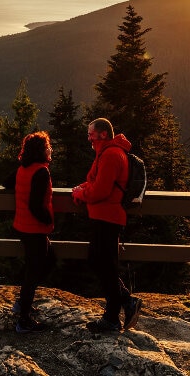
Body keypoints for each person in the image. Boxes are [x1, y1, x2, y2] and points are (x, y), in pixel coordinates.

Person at [71, 118, 142, 333]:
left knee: (103, 264)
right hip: (104, 217)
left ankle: (119, 310)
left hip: (108, 218)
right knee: (101, 263)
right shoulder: (107, 152)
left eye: (91, 134)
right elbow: (97, 182)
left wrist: (81, 193)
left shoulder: (111, 155)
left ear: (102, 134)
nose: (89, 138)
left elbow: (101, 190)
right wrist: (82, 188)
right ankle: (119, 310)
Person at [3, 131, 56, 333]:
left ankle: (22, 304)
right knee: (34, 272)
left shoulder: (23, 169)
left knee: (48, 260)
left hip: (22, 227)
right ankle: (23, 320)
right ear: (41, 151)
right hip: (35, 229)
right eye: (48, 147)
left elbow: (6, 183)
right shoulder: (41, 172)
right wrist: (48, 218)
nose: (50, 149)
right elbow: (35, 205)